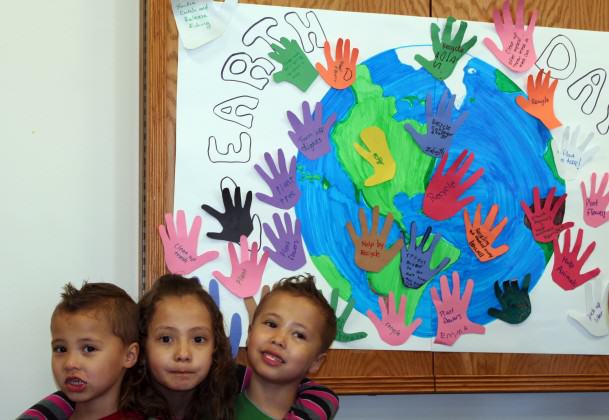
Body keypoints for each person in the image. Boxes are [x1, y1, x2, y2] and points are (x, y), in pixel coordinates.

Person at [19, 282, 141, 420]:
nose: (70, 363)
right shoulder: (45, 414)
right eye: (61, 349)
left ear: (129, 356)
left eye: (89, 348)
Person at [237, 274, 339, 420]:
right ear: (250, 333)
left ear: (316, 362)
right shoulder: (208, 403)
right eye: (271, 324)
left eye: (299, 335)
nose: (279, 339)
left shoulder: (314, 408)